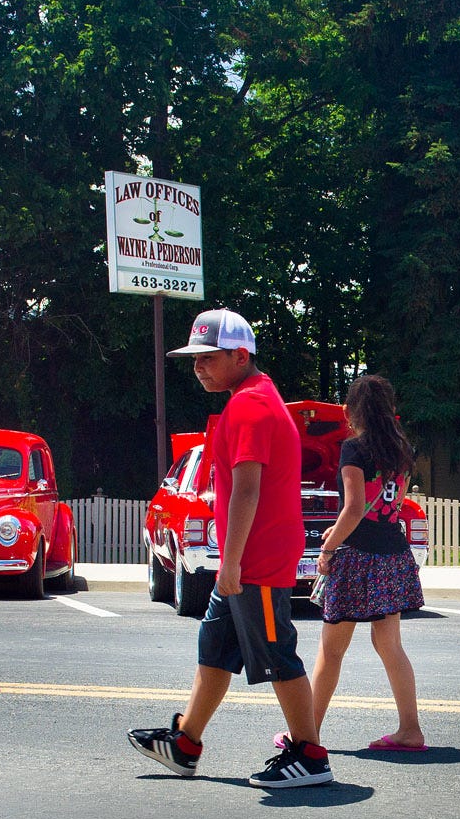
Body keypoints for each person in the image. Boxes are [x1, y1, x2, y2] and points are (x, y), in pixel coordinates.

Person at [128, 309, 334, 788]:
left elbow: (245, 490)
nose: (199, 367)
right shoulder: (253, 398)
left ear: (241, 356)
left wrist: (233, 562)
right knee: (216, 651)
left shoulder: (249, 406)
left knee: (277, 654)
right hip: (248, 558)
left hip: (254, 561)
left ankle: (311, 755)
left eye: (208, 357)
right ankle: (185, 744)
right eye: (194, 358)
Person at [308, 374, 427, 752]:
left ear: (348, 412)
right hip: (393, 554)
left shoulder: (354, 449)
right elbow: (389, 506)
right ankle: (410, 730)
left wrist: (329, 548)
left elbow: (355, 507)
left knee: (331, 651)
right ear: (390, 410)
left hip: (357, 559)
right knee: (390, 647)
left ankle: (306, 736)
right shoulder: (403, 448)